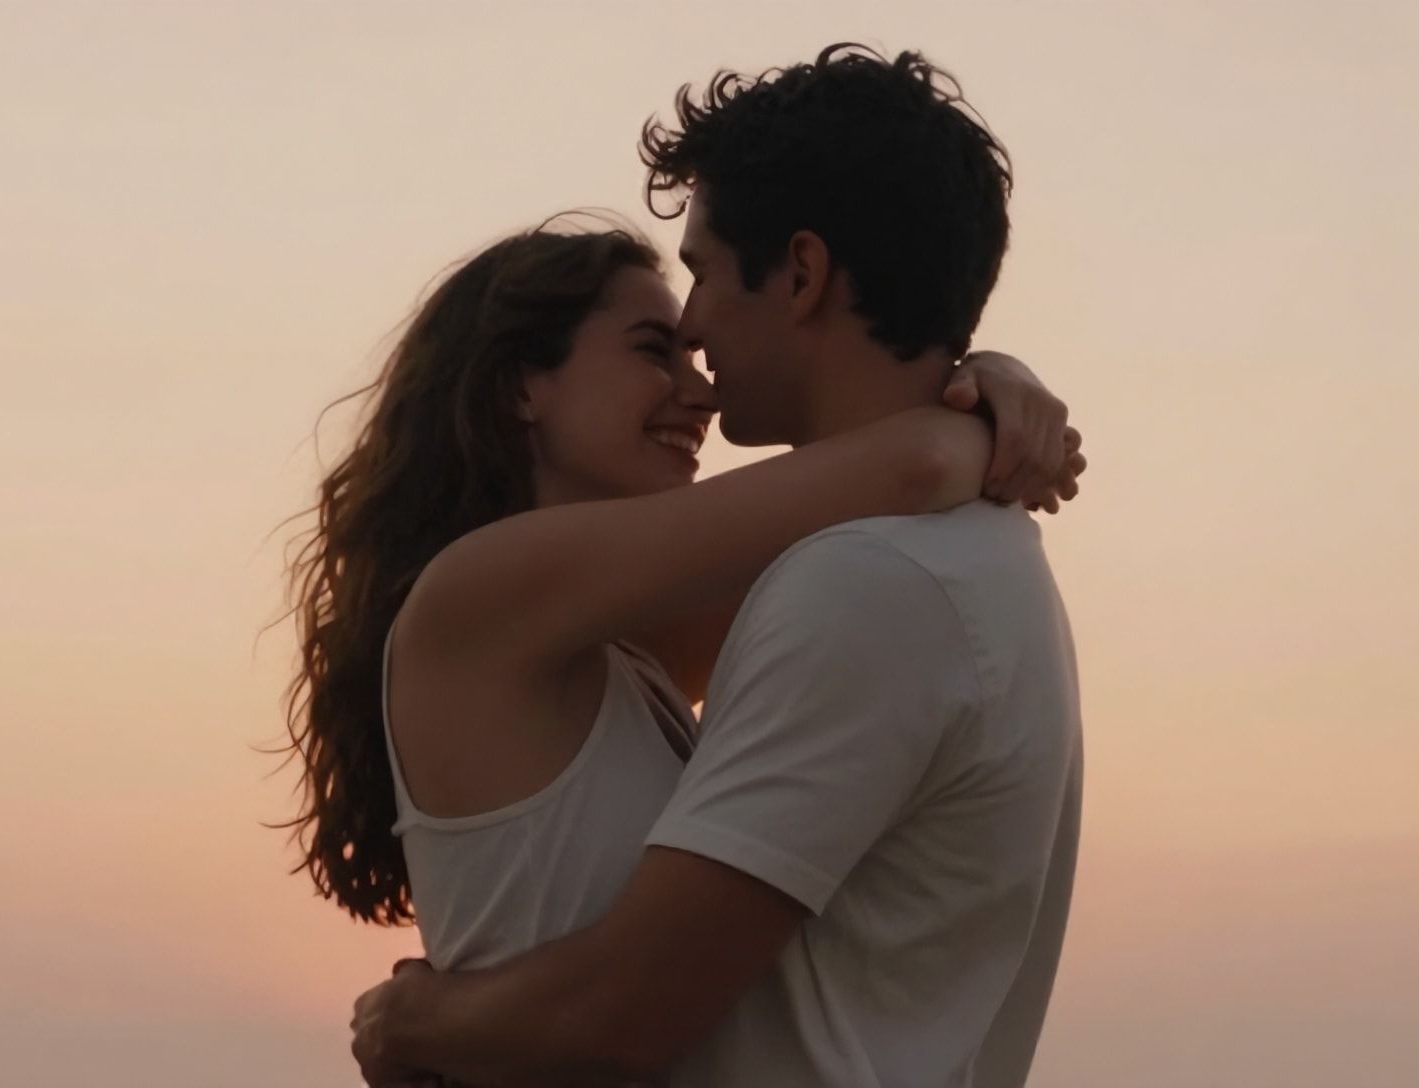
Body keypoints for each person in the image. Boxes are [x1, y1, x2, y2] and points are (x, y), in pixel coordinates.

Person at [348, 45, 1083, 1088]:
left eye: (697, 277)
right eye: (652, 347)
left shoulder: (844, 591)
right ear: (522, 386)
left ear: (801, 273)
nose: (694, 354)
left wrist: (422, 1022)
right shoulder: (488, 595)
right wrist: (974, 413)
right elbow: (906, 465)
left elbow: (624, 1015)